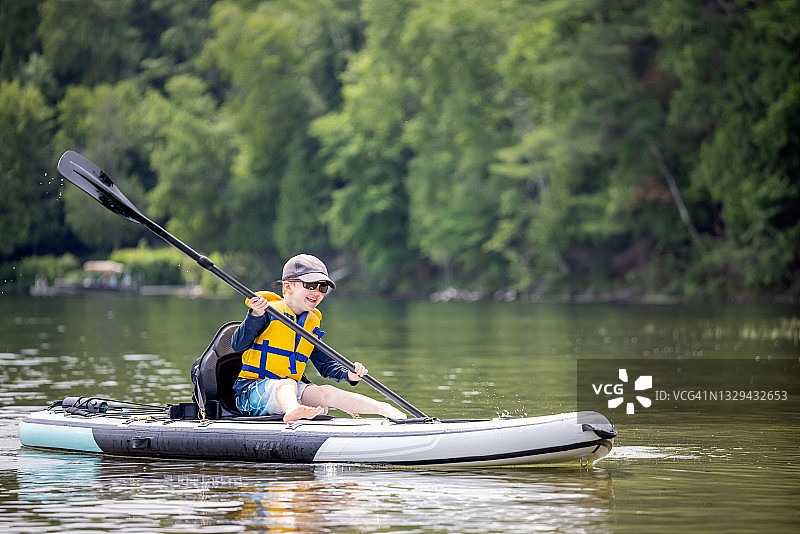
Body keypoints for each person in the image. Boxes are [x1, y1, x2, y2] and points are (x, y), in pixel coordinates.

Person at [230, 253, 407, 423]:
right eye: (310, 285)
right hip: (249, 393)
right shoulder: (266, 313)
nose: (317, 292)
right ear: (288, 287)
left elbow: (326, 365)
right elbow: (238, 345)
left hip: (288, 389)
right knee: (288, 384)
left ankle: (383, 408)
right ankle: (293, 410)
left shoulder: (310, 324)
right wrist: (254, 315)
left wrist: (348, 374)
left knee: (325, 393)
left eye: (322, 287)